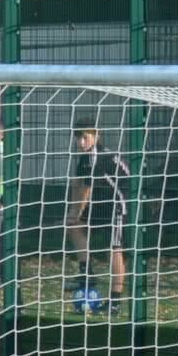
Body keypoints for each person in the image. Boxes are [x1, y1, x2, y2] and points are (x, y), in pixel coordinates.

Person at [68, 127, 131, 301]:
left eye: (85, 137)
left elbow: (86, 190)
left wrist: (78, 210)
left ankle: (115, 300)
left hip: (118, 203)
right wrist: (73, 211)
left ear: (97, 136)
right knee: (74, 226)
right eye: (78, 138)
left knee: (114, 249)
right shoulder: (84, 158)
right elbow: (77, 184)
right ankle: (86, 272)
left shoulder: (100, 157)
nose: (81, 142)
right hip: (100, 202)